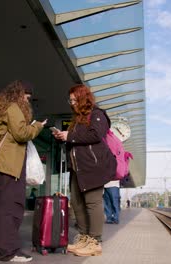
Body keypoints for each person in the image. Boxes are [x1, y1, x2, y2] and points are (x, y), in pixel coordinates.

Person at [0, 80, 46, 262]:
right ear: (20, 94)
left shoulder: (0, 107)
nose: (27, 101)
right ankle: (9, 251)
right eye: (27, 97)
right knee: (11, 208)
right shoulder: (13, 107)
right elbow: (21, 133)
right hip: (11, 166)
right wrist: (38, 126)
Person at [53, 84, 116, 257]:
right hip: (77, 168)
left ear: (82, 98)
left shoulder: (97, 114)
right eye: (70, 100)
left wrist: (70, 136)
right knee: (77, 203)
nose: (71, 103)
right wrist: (63, 137)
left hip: (93, 168)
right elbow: (76, 141)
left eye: (74, 100)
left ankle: (95, 242)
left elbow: (96, 135)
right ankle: (84, 237)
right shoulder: (77, 119)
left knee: (92, 203)